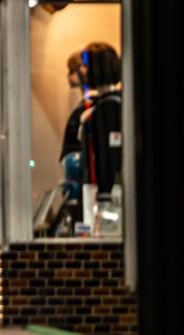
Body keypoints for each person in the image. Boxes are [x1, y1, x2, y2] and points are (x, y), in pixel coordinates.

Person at [51, 41, 123, 234]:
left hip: (107, 198)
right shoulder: (91, 111)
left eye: (85, 65)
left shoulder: (106, 110)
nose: (82, 71)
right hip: (97, 196)